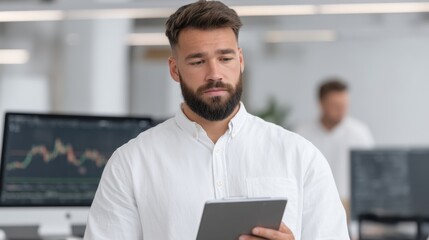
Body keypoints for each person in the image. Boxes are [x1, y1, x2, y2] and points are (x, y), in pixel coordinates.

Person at [84, 1, 349, 239]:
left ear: (241, 60)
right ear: (175, 69)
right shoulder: (131, 164)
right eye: (198, 61)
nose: (214, 74)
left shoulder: (300, 156)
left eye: (225, 58)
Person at [296, 79, 374, 210]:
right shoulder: (302, 134)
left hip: (349, 204)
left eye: (344, 105)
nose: (341, 110)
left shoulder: (360, 133)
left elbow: (370, 173)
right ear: (321, 104)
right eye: (335, 105)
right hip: (312, 203)